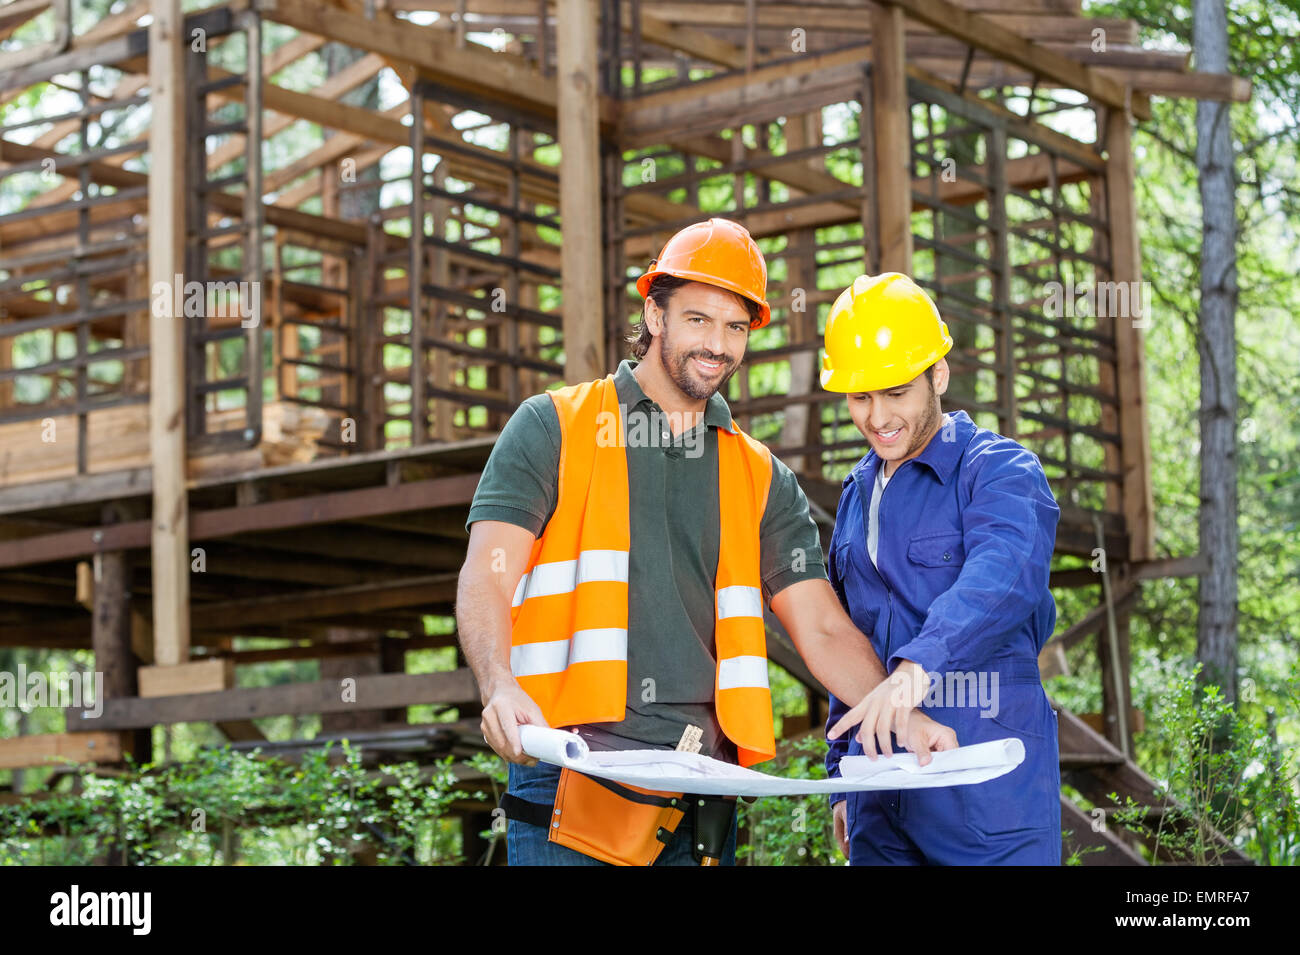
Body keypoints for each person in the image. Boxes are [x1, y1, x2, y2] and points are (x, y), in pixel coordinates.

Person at [456, 219, 956, 866]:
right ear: (654, 313)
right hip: (571, 790)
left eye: (736, 327)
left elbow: (825, 630)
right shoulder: (553, 427)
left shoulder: (760, 476)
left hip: (702, 802)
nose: (717, 344)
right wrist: (498, 684)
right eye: (698, 319)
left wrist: (903, 714)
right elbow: (486, 574)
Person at [821, 272, 1063, 865]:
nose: (877, 417)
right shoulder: (857, 493)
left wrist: (914, 671)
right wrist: (839, 773)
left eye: (896, 391)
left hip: (985, 792)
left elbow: (1003, 577)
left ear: (939, 376)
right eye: (860, 396)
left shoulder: (1000, 470)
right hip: (880, 790)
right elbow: (847, 631)